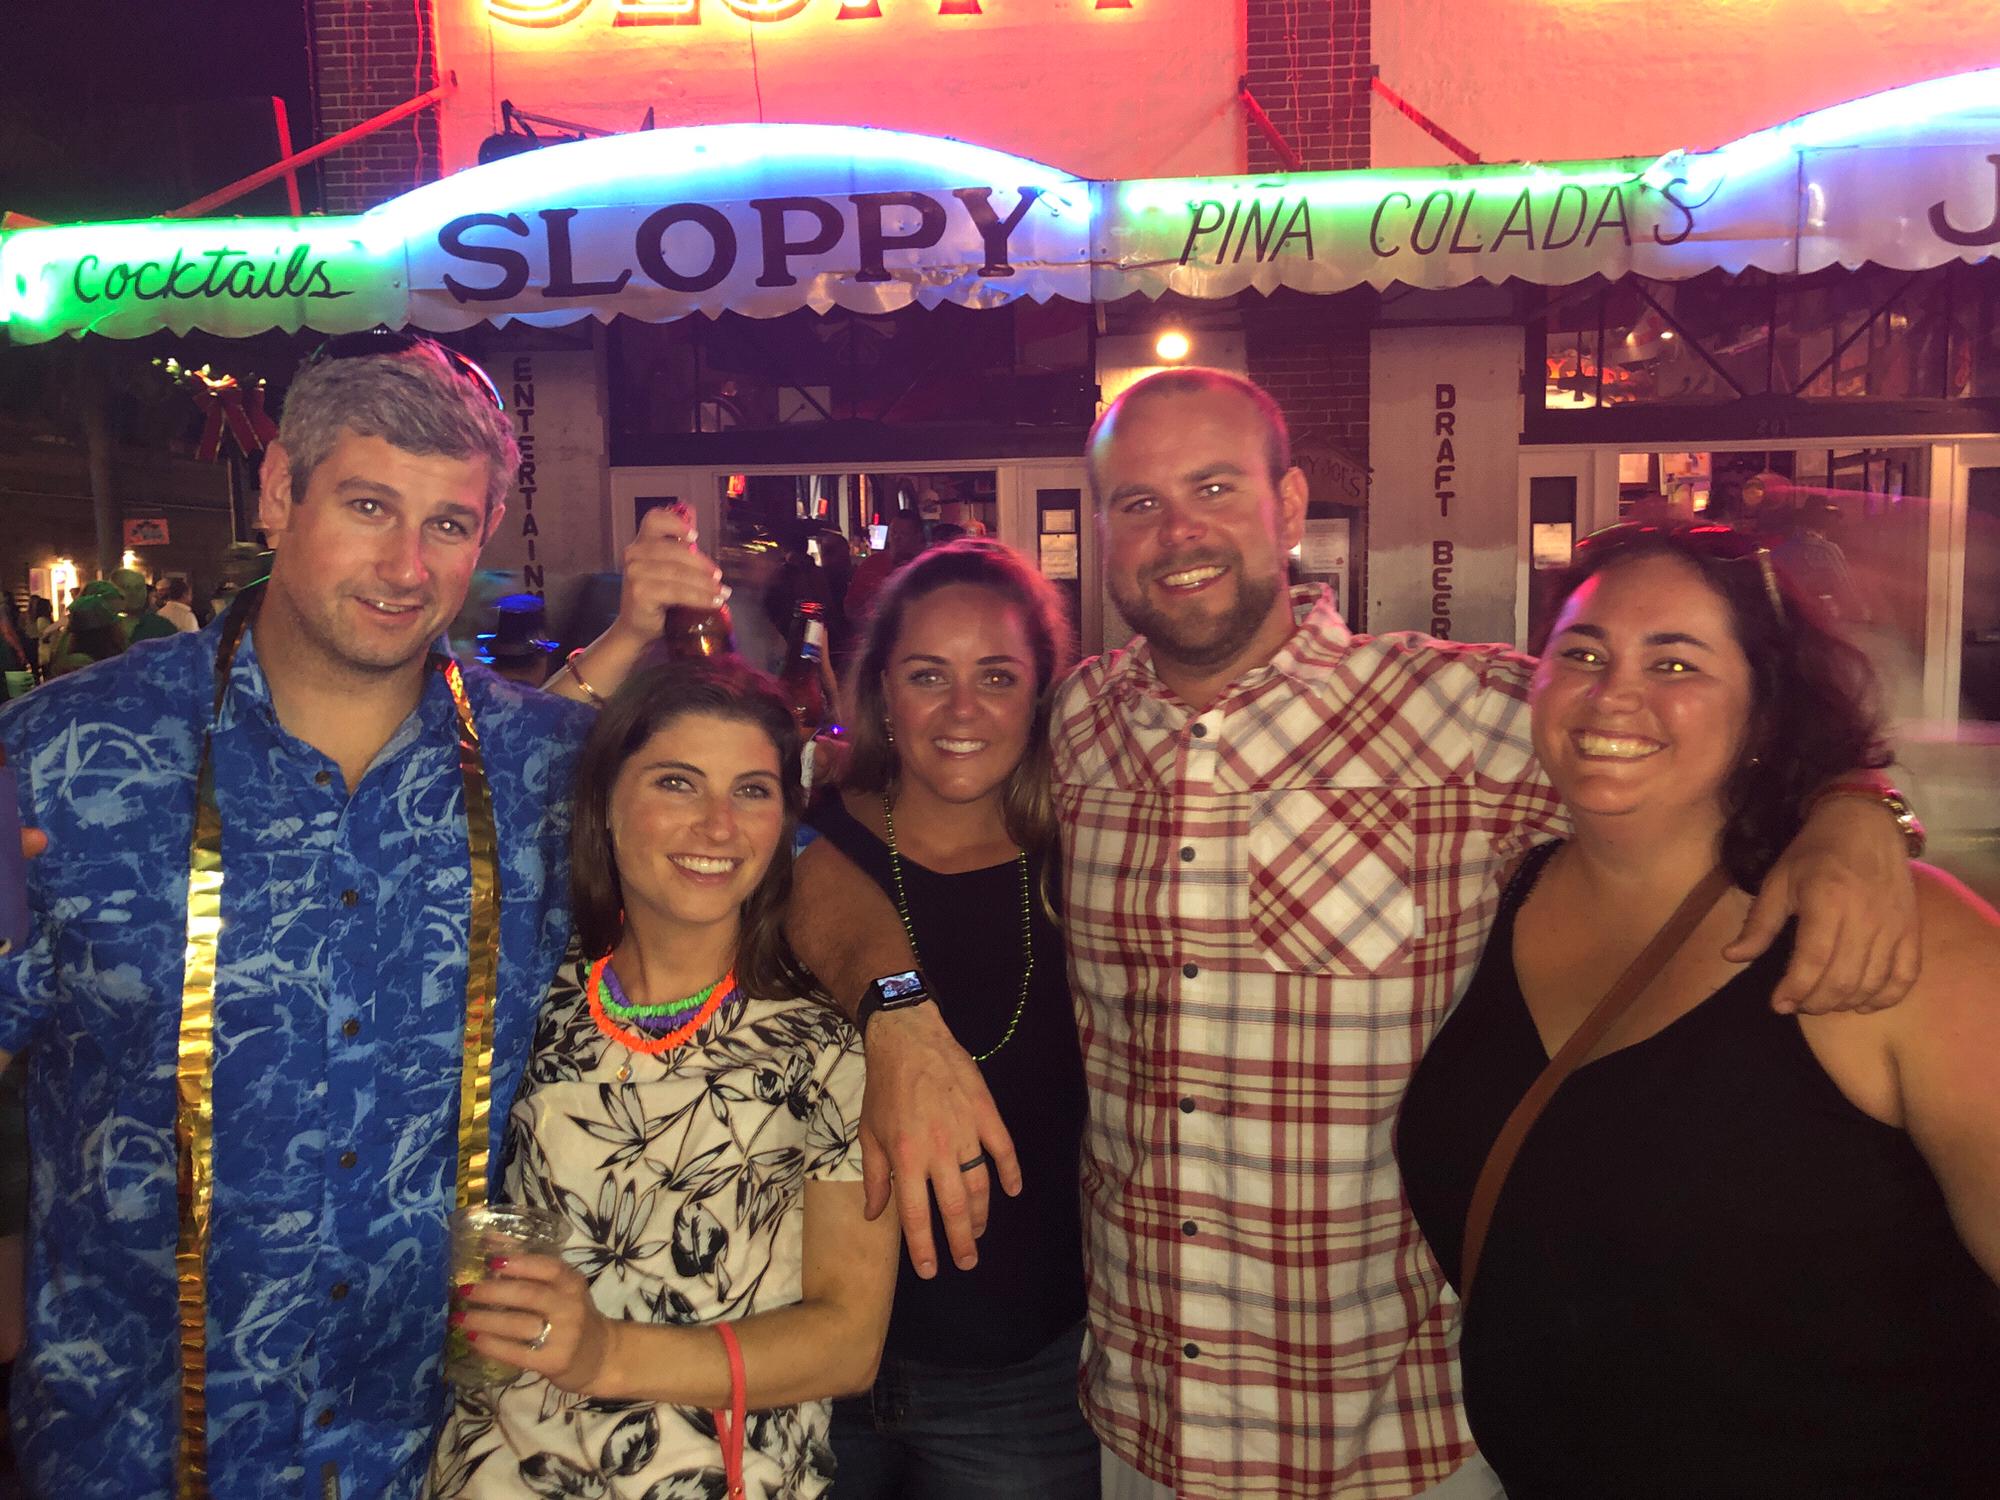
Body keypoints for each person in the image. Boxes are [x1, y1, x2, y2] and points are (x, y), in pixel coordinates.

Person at [786, 369, 1925, 1500]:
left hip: (1383, 1442)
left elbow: (1694, 747)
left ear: (1287, 507)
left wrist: (1853, 801)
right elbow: (826, 841)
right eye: (1138, 502)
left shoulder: (1464, 716)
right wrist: (895, 1011)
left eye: (1214, 488)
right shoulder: (1076, 729)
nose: (1178, 532)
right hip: (1143, 1427)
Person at [0, 331, 723, 1499]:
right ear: (279, 492)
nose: (404, 566)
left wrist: (901, 1017)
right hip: (135, 1452)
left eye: (446, 524)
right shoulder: (53, 759)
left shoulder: (554, 771)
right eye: (369, 506)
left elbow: (777, 866)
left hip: (443, 1457)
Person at [1395, 522, 2000, 1496]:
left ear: (1764, 709)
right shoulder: (1489, 892)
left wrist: (1859, 803)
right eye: (1581, 654)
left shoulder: (1905, 939)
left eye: (1675, 662)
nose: (1612, 695)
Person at [431, 657, 897, 1499]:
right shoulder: (529, 999)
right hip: (495, 1471)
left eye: (752, 791)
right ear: (606, 803)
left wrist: (606, 1355)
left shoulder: (832, 1047)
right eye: (678, 783)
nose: (718, 826)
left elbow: (848, 1344)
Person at [795, 540, 1096, 1498]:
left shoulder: (1087, 861)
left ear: (1040, 696)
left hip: (1020, 1383)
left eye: (997, 677)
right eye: (928, 675)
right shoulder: (802, 839)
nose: (963, 711)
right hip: (803, 1359)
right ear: (883, 692)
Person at [845, 510, 927, 629]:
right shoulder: (872, 564)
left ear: (917, 537)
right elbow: (851, 605)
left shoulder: (926, 568)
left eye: (903, 533)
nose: (896, 538)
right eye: (893, 532)